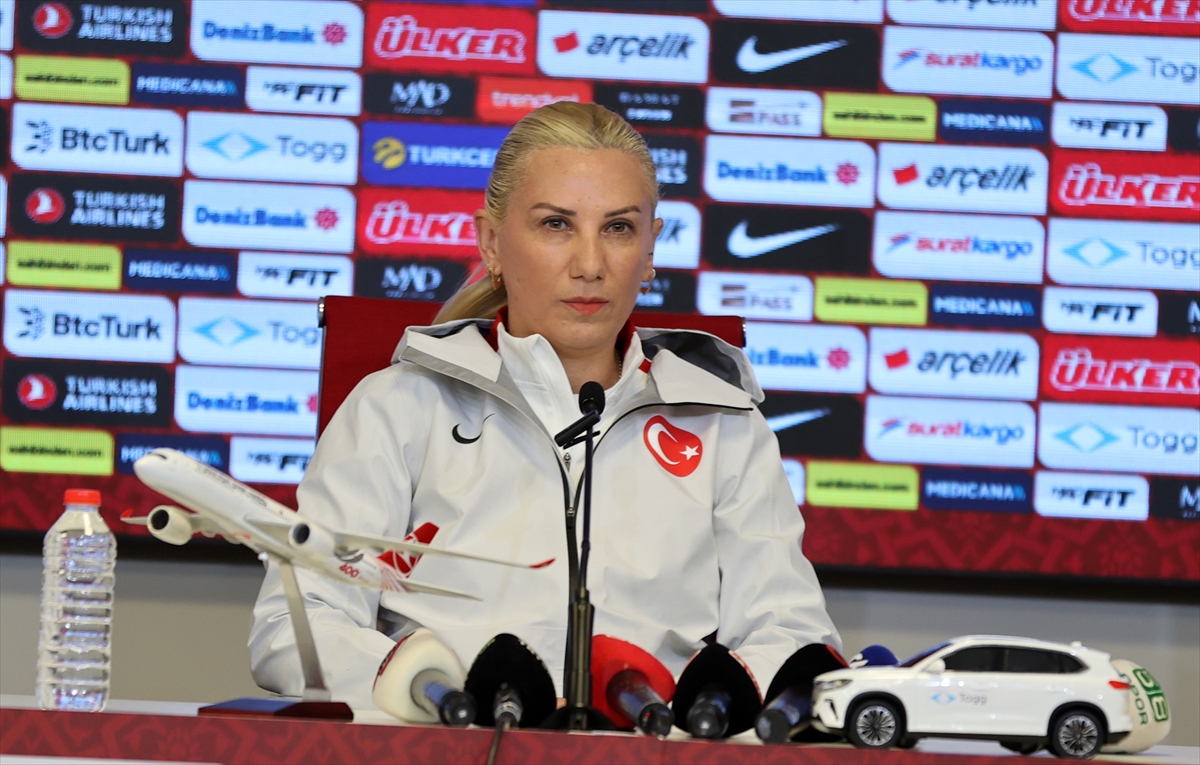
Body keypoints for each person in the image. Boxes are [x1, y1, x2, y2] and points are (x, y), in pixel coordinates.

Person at [249, 102, 840, 711]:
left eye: (618, 228)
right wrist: (436, 694)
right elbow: (296, 626)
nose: (590, 265)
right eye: (556, 224)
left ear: (650, 249)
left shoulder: (723, 422)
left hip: (655, 744)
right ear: (492, 242)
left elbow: (791, 634)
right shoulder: (397, 407)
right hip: (449, 739)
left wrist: (701, 707)